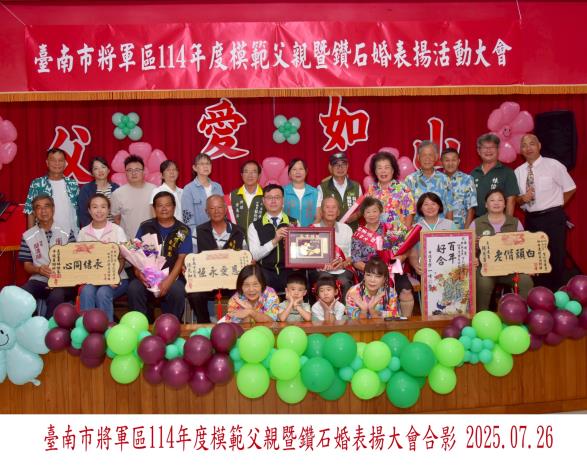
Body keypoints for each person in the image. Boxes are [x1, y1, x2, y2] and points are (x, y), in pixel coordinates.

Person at [515, 134, 576, 291]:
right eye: (524, 145)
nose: (528, 148)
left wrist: (556, 205)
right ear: (520, 150)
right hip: (531, 219)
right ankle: (539, 295)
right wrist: (522, 198)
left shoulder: (553, 165)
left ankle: (556, 295)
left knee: (555, 257)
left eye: (532, 144)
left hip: (553, 218)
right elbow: (517, 200)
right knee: (535, 258)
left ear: (539, 146)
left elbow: (570, 188)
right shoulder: (518, 171)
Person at [127, 191, 192, 321]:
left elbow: (181, 258)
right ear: (154, 208)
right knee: (134, 288)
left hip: (172, 277)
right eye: (160, 205)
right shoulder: (145, 226)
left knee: (177, 290)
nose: (164, 208)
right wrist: (138, 273)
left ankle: (171, 323)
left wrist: (168, 282)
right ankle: (142, 323)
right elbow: (135, 252)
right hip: (147, 276)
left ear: (174, 207)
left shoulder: (183, 230)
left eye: (167, 205)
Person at [351, 197, 415, 318]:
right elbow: (356, 261)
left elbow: (404, 250)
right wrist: (375, 272)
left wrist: (397, 261)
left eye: (374, 211)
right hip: (368, 273)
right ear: (363, 214)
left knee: (406, 290)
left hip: (392, 270)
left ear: (380, 212)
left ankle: (405, 322)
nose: (371, 215)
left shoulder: (391, 229)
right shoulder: (358, 234)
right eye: (368, 212)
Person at [186, 195, 245, 323]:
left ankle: (235, 323)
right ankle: (204, 323)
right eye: (212, 208)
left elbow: (245, 256)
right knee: (195, 293)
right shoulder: (199, 231)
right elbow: (193, 258)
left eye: (219, 207)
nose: (216, 211)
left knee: (244, 289)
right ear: (206, 211)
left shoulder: (239, 231)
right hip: (206, 281)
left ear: (225, 209)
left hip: (232, 281)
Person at [471, 189, 533, 311]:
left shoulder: (514, 222)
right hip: (486, 270)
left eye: (500, 200)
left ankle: (522, 314)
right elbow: (469, 247)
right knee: (483, 284)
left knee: (526, 281)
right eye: (492, 200)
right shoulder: (477, 223)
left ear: (505, 204)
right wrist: (474, 254)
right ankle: (481, 315)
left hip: (511, 269)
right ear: (486, 204)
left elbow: (524, 246)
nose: (496, 203)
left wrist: (529, 266)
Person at [18, 195, 76, 317]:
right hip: (39, 280)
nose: (43, 211)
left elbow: (74, 260)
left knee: (57, 295)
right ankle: (32, 323)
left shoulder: (67, 231)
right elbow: (27, 265)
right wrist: (38, 269)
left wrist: (57, 279)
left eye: (47, 206)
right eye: (38, 207)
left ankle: (49, 326)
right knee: (23, 293)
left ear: (53, 209)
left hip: (63, 281)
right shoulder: (28, 236)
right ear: (34, 212)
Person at [77, 194, 128, 322]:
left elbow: (123, 258)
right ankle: (86, 327)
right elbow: (80, 260)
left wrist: (112, 277)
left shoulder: (117, 230)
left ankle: (107, 328)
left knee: (103, 293)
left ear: (108, 210)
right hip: (92, 279)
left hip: (117, 278)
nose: (99, 210)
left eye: (103, 207)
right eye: (95, 207)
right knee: (86, 292)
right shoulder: (83, 232)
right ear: (89, 210)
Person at [247, 184, 297, 292]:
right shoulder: (254, 226)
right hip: (265, 272)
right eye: (269, 198)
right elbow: (254, 255)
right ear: (263, 201)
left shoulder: (294, 223)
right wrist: (274, 241)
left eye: (277, 197)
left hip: (289, 272)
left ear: (283, 200)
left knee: (299, 282)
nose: (273, 201)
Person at [24, 148, 79, 236]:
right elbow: (30, 211)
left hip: (71, 234)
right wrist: (31, 236)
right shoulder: (37, 184)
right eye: (53, 160)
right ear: (47, 162)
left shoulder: (72, 184)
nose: (57, 163)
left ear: (65, 163)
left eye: (60, 160)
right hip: (45, 235)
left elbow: (78, 209)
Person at [309, 196, 355, 301]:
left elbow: (352, 256)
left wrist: (343, 263)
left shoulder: (346, 229)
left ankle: (344, 311)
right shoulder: (312, 229)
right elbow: (307, 256)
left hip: (342, 269)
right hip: (320, 270)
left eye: (334, 207)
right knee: (325, 281)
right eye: (327, 207)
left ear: (338, 212)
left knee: (344, 282)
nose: (330, 210)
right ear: (321, 211)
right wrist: (321, 264)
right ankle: (321, 311)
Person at [408, 193, 457, 276]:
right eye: (426, 204)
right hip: (424, 271)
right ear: (420, 208)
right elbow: (413, 253)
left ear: (439, 206)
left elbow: (458, 248)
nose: (430, 207)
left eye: (433, 204)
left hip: (449, 270)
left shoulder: (450, 225)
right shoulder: (415, 228)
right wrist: (416, 265)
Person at [471, 133, 520, 217]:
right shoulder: (474, 173)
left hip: (499, 220)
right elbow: (470, 203)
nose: (488, 150)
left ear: (498, 150)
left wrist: (508, 223)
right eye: (484, 147)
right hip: (477, 221)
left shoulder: (507, 172)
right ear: (478, 151)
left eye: (492, 147)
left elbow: (511, 201)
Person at [404, 141, 454, 222]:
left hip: (440, 227)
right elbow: (407, 209)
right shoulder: (410, 180)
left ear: (436, 157)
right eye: (424, 155)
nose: (427, 158)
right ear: (418, 157)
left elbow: (449, 208)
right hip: (418, 227)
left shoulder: (445, 179)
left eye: (430, 155)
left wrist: (450, 228)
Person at [110, 155, 156, 243]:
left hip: (151, 239)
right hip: (128, 241)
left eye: (137, 170)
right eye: (130, 170)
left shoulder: (154, 190)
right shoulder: (117, 193)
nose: (133, 173)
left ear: (143, 171)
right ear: (125, 173)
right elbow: (117, 219)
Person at [365, 151, 415, 227]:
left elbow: (409, 213)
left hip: (398, 233)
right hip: (375, 233)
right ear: (375, 171)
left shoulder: (403, 188)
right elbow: (366, 212)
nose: (383, 171)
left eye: (387, 167)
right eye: (379, 168)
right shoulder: (371, 189)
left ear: (392, 170)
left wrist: (406, 232)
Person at [317, 152, 362, 230]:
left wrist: (357, 215)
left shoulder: (356, 186)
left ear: (347, 166)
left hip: (353, 231)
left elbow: (363, 208)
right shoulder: (322, 188)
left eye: (343, 164)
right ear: (330, 167)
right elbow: (319, 212)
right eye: (336, 165)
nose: (340, 168)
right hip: (331, 231)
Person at [181, 153, 223, 238]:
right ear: (195, 168)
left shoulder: (217, 187)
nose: (206, 166)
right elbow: (188, 218)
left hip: (219, 235)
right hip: (199, 236)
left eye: (208, 163)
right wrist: (197, 237)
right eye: (202, 164)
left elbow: (223, 213)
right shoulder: (188, 189)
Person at [77, 156, 120, 228]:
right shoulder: (86, 190)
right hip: (94, 230)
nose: (100, 170)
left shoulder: (116, 188)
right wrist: (93, 230)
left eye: (103, 167)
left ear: (108, 170)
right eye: (96, 168)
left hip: (114, 230)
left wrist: (117, 229)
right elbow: (83, 214)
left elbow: (121, 212)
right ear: (92, 173)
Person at [441, 148, 477, 229]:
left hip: (461, 228)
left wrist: (466, 230)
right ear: (441, 162)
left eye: (453, 160)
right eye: (447, 160)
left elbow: (471, 207)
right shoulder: (438, 180)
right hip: (440, 228)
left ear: (458, 161)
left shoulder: (467, 180)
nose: (450, 163)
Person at [228, 160, 265, 236]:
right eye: (246, 171)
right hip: (238, 240)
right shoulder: (232, 195)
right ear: (241, 175)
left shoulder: (266, 195)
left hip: (260, 240)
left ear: (259, 175)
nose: (250, 175)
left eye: (254, 172)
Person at [283, 159, 319, 227]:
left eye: (301, 169)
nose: (298, 172)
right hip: (288, 232)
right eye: (294, 169)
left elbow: (318, 217)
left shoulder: (315, 192)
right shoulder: (282, 192)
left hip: (310, 232)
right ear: (289, 173)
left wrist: (307, 231)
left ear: (306, 172)